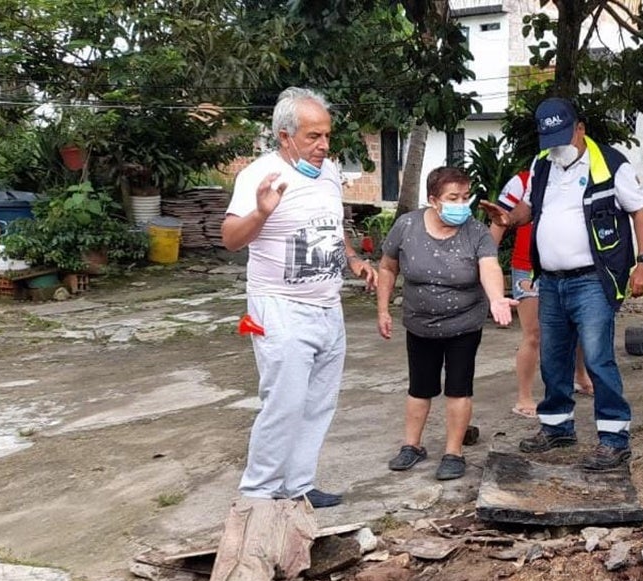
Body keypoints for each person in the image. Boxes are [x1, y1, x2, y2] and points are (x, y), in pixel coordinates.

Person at [220, 87, 377, 509]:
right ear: (285, 136)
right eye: (313, 137)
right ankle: (258, 494)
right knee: (284, 403)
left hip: (328, 304)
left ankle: (299, 485)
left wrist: (352, 260)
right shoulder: (259, 175)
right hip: (279, 307)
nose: (324, 145)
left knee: (319, 402)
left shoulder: (326, 172)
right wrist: (261, 213)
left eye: (326, 135)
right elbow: (231, 239)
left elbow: (333, 224)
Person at [480, 98, 643, 472]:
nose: (556, 146)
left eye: (562, 136)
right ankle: (557, 427)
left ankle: (614, 439)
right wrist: (509, 218)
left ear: (580, 128)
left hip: (592, 279)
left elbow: (639, 211)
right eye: (549, 139)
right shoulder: (543, 165)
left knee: (597, 359)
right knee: (553, 356)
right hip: (551, 281)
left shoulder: (610, 164)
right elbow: (531, 209)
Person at [377, 166, 515, 480]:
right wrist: (382, 310)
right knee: (419, 387)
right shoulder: (407, 226)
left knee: (458, 388)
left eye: (465, 197)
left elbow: (489, 267)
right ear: (433, 200)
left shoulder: (476, 231)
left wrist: (496, 298)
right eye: (453, 197)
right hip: (420, 323)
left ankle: (454, 452)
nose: (461, 204)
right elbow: (387, 267)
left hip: (464, 324)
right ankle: (411, 446)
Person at [490, 169, 593, 419]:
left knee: (577, 327)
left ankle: (580, 375)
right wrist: (487, 260)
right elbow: (499, 221)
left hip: (570, 266)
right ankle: (524, 397)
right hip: (527, 266)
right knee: (533, 334)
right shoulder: (521, 181)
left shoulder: (581, 177)